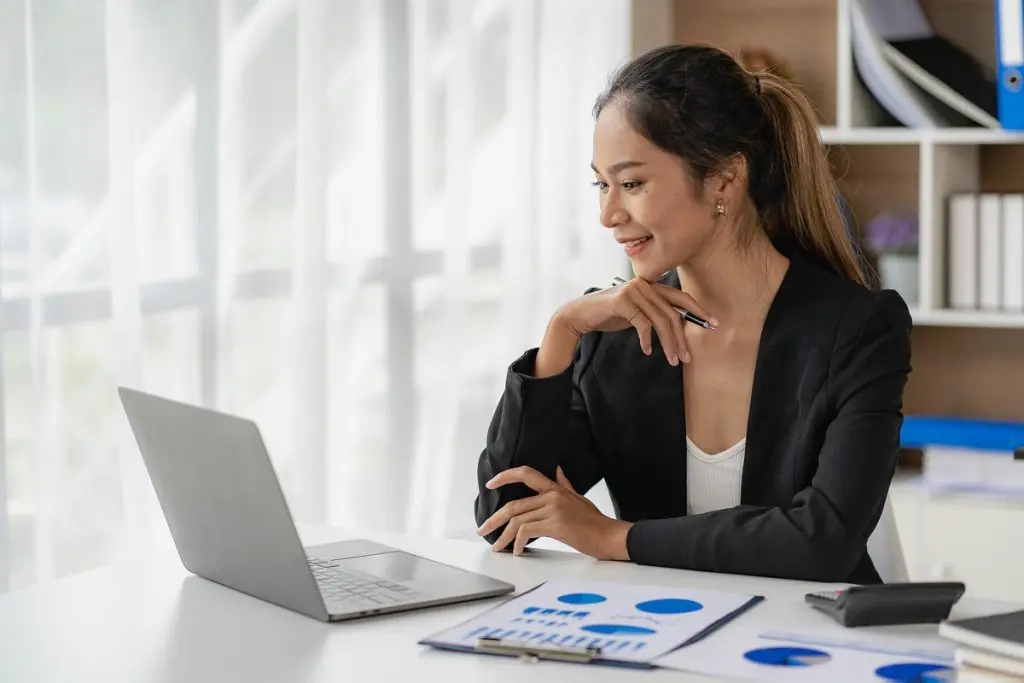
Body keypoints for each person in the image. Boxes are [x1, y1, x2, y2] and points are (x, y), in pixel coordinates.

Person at [473, 44, 912, 584]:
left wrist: (613, 537)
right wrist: (561, 333)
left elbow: (820, 543)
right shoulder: (611, 334)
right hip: (663, 641)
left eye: (631, 184)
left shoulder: (859, 328)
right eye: (601, 185)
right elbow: (505, 518)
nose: (608, 214)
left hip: (803, 648)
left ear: (725, 179)